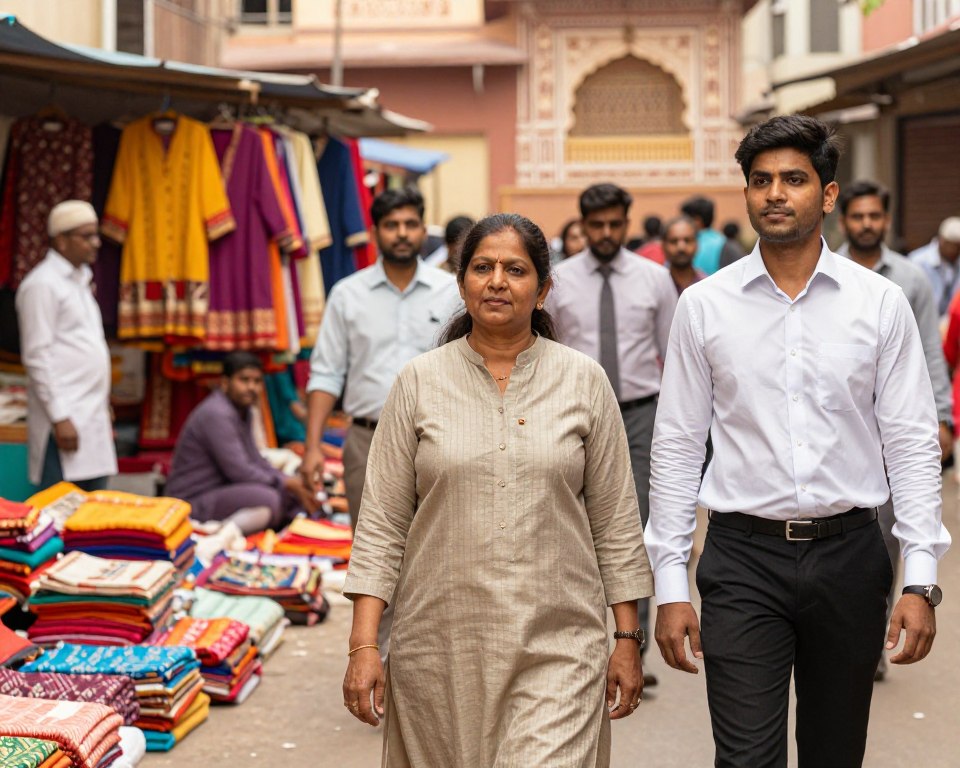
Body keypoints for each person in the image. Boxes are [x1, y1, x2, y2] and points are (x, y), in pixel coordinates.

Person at [647, 114, 950, 767]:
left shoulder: (878, 303)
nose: (775, 194)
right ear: (747, 194)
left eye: (793, 179)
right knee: (747, 758)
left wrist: (919, 579)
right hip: (741, 560)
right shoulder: (706, 307)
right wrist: (671, 585)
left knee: (833, 754)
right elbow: (676, 445)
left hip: (850, 557)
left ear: (829, 194)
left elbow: (910, 440)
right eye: (760, 181)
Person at [341, 213, 652, 766]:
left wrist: (627, 640)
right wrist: (365, 645)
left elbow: (616, 524)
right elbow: (382, 526)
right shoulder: (419, 381)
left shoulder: (584, 380)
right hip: (440, 647)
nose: (497, 281)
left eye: (515, 269)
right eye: (482, 267)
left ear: (544, 287)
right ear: (461, 284)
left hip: (560, 643)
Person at [547, 182, 676, 686]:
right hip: (576, 415)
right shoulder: (557, 281)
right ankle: (578, 648)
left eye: (613, 224)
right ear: (582, 224)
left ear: (626, 223)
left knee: (634, 526)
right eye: (595, 225)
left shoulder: (655, 279)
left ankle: (633, 648)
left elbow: (674, 352)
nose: (604, 234)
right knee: (572, 527)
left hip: (641, 415)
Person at [837, 179, 954, 677]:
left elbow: (931, 351)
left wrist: (943, 417)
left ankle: (871, 638)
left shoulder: (911, 279)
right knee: (838, 538)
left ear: (886, 220)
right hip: (841, 432)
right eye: (858, 216)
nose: (867, 224)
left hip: (895, 433)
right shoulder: (824, 274)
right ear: (843, 219)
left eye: (875, 216)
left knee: (884, 540)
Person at [299, 186, 460, 527]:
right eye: (391, 225)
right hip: (365, 440)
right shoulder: (347, 295)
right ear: (374, 233)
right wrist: (312, 446)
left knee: (435, 549)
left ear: (422, 228)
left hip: (436, 438)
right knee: (371, 553)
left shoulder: (450, 292)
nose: (402, 233)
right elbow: (326, 373)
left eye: (410, 224)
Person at [16, 200, 117, 492]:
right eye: (86, 236)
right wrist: (60, 417)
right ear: (61, 240)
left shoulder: (80, 283)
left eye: (95, 235)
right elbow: (37, 356)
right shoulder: (42, 285)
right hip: (63, 419)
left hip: (91, 415)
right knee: (60, 512)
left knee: (92, 516)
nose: (96, 243)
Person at [165, 351, 317, 535]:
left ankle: (296, 531)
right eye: (244, 380)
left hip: (221, 490)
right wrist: (284, 483)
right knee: (269, 499)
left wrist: (288, 481)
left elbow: (255, 460)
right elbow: (239, 471)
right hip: (192, 500)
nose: (251, 387)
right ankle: (219, 538)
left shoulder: (243, 411)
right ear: (225, 382)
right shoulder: (217, 413)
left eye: (257, 381)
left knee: (289, 495)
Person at [909, 216, 960, 316]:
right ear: (941, 240)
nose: (954, 251)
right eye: (952, 245)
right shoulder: (918, 261)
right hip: (924, 321)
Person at [681, 195, 744, 275]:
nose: (682, 223)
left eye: (685, 219)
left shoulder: (686, 244)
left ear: (697, 220)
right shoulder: (726, 243)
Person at [661, 215, 706, 295]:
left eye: (687, 240)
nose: (681, 248)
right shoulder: (656, 286)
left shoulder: (706, 285)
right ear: (663, 245)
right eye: (673, 241)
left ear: (697, 244)